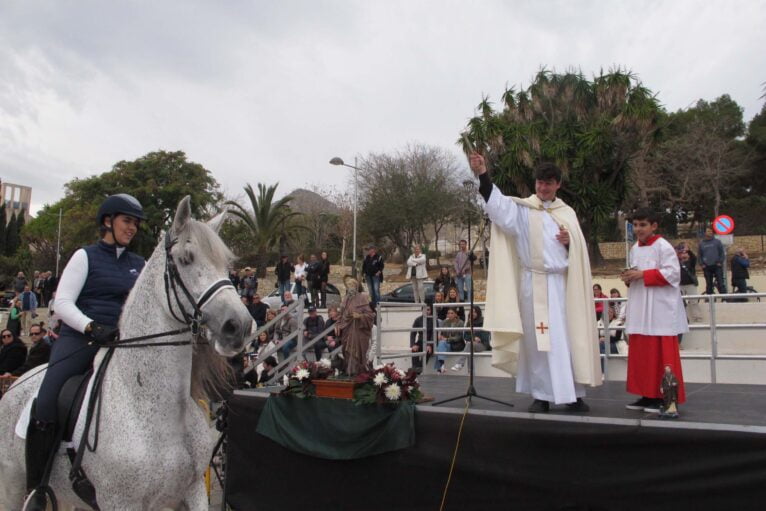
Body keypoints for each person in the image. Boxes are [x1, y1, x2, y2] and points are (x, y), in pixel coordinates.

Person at [26, 193, 146, 509]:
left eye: (135, 223)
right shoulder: (85, 256)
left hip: (122, 343)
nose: (132, 228)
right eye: (126, 221)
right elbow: (62, 303)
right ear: (107, 221)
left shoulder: (139, 264)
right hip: (82, 339)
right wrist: (91, 326)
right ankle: (36, 488)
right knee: (49, 399)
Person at [470, 153, 600, 413]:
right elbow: (496, 206)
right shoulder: (523, 209)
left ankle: (573, 393)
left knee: (565, 338)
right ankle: (541, 395)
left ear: (558, 185)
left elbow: (580, 252)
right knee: (537, 342)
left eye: (548, 183)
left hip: (561, 286)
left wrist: (570, 242)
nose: (543, 187)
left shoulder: (567, 213)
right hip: (533, 283)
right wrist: (483, 172)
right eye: (540, 182)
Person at [621, 208, 687, 414]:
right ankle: (646, 394)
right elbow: (636, 272)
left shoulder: (663, 246)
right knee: (642, 354)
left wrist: (643, 274)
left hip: (660, 308)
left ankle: (664, 396)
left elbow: (673, 274)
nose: (638, 229)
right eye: (636, 225)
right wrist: (629, 277)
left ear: (654, 226)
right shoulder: (634, 248)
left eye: (643, 225)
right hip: (641, 306)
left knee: (661, 353)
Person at [336, 276, 375, 376]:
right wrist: (338, 324)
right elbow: (340, 314)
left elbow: (370, 315)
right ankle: (348, 372)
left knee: (356, 352)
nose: (350, 287)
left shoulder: (362, 298)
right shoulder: (345, 299)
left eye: (352, 285)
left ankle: (357, 373)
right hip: (346, 329)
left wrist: (360, 316)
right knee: (347, 351)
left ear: (356, 286)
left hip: (358, 330)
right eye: (348, 285)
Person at [451, 305, 491, 371]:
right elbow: (465, 336)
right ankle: (470, 371)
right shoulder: (469, 322)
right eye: (471, 312)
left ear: (478, 313)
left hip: (483, 344)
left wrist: (477, 338)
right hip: (473, 344)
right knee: (470, 346)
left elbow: (485, 337)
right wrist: (474, 338)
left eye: (474, 312)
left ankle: (460, 364)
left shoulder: (483, 321)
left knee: (469, 344)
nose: (473, 314)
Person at [676, 243, 702, 323]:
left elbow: (694, 257)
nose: (684, 255)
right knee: (680, 303)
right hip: (680, 285)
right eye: (682, 253)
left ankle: (697, 317)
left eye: (685, 253)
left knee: (694, 301)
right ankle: (682, 318)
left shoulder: (691, 262)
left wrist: (689, 250)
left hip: (690, 284)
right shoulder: (676, 262)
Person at [434, 308, 464, 374]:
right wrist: (441, 336)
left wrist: (447, 339)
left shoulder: (460, 322)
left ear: (456, 314)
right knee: (440, 345)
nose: (449, 315)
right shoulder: (445, 322)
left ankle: (440, 368)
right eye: (448, 313)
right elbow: (441, 333)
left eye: (452, 313)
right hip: (446, 344)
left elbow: (459, 337)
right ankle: (441, 366)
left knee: (440, 345)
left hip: (456, 345)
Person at [698, 227, 727, 295]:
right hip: (707, 267)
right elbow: (699, 255)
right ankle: (709, 300)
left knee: (721, 283)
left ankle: (725, 299)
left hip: (717, 266)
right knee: (709, 284)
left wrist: (720, 262)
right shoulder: (701, 243)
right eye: (708, 231)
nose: (710, 232)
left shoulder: (717, 242)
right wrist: (702, 264)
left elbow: (722, 253)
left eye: (711, 231)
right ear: (705, 233)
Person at [410, 300, 435, 372]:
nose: (426, 311)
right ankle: (415, 368)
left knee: (427, 351)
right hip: (420, 341)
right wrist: (413, 345)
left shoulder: (433, 320)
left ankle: (419, 369)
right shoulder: (418, 320)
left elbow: (434, 334)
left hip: (431, 342)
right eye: (424, 309)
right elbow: (413, 333)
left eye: (428, 310)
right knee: (414, 350)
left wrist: (430, 345)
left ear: (431, 310)